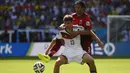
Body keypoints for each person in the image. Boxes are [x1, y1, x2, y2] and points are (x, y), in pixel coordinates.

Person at [38, 0, 103, 63]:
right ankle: (49, 56)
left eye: (78, 7)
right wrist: (61, 26)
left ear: (83, 8)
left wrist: (98, 41)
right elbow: (66, 22)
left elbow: (89, 31)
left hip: (84, 40)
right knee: (58, 40)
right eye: (76, 8)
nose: (77, 9)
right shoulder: (73, 16)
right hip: (74, 37)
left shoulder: (86, 18)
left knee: (89, 61)